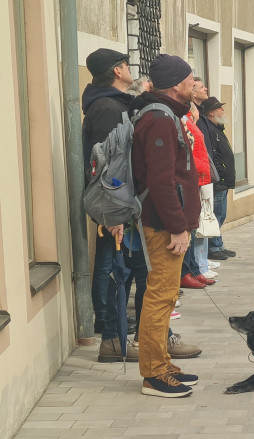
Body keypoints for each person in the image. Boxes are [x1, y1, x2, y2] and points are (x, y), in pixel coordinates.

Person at [131, 53, 200, 397]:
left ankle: (162, 363)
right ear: (175, 85)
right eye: (189, 79)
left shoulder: (165, 114)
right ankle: (153, 374)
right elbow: (161, 181)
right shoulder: (159, 119)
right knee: (159, 296)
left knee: (167, 295)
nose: (194, 83)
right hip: (161, 225)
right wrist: (177, 226)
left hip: (165, 222)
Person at [81, 48, 138, 363]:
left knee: (115, 262)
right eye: (126, 64)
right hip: (112, 201)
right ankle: (106, 324)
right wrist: (115, 208)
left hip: (119, 199)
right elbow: (107, 163)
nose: (129, 68)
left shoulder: (114, 103)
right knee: (110, 262)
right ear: (117, 70)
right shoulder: (106, 107)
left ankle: (111, 321)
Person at [180, 102, 215, 289]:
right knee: (190, 230)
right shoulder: (184, 121)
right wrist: (202, 168)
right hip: (194, 178)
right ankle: (187, 271)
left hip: (198, 179)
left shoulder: (190, 122)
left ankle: (193, 269)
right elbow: (188, 152)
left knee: (193, 229)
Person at [202, 97, 236, 260]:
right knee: (216, 215)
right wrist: (220, 174)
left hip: (223, 181)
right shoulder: (210, 130)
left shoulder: (218, 128)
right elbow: (213, 155)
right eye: (219, 108)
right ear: (211, 112)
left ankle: (218, 245)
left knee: (221, 215)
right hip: (219, 181)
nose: (222, 110)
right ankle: (213, 247)